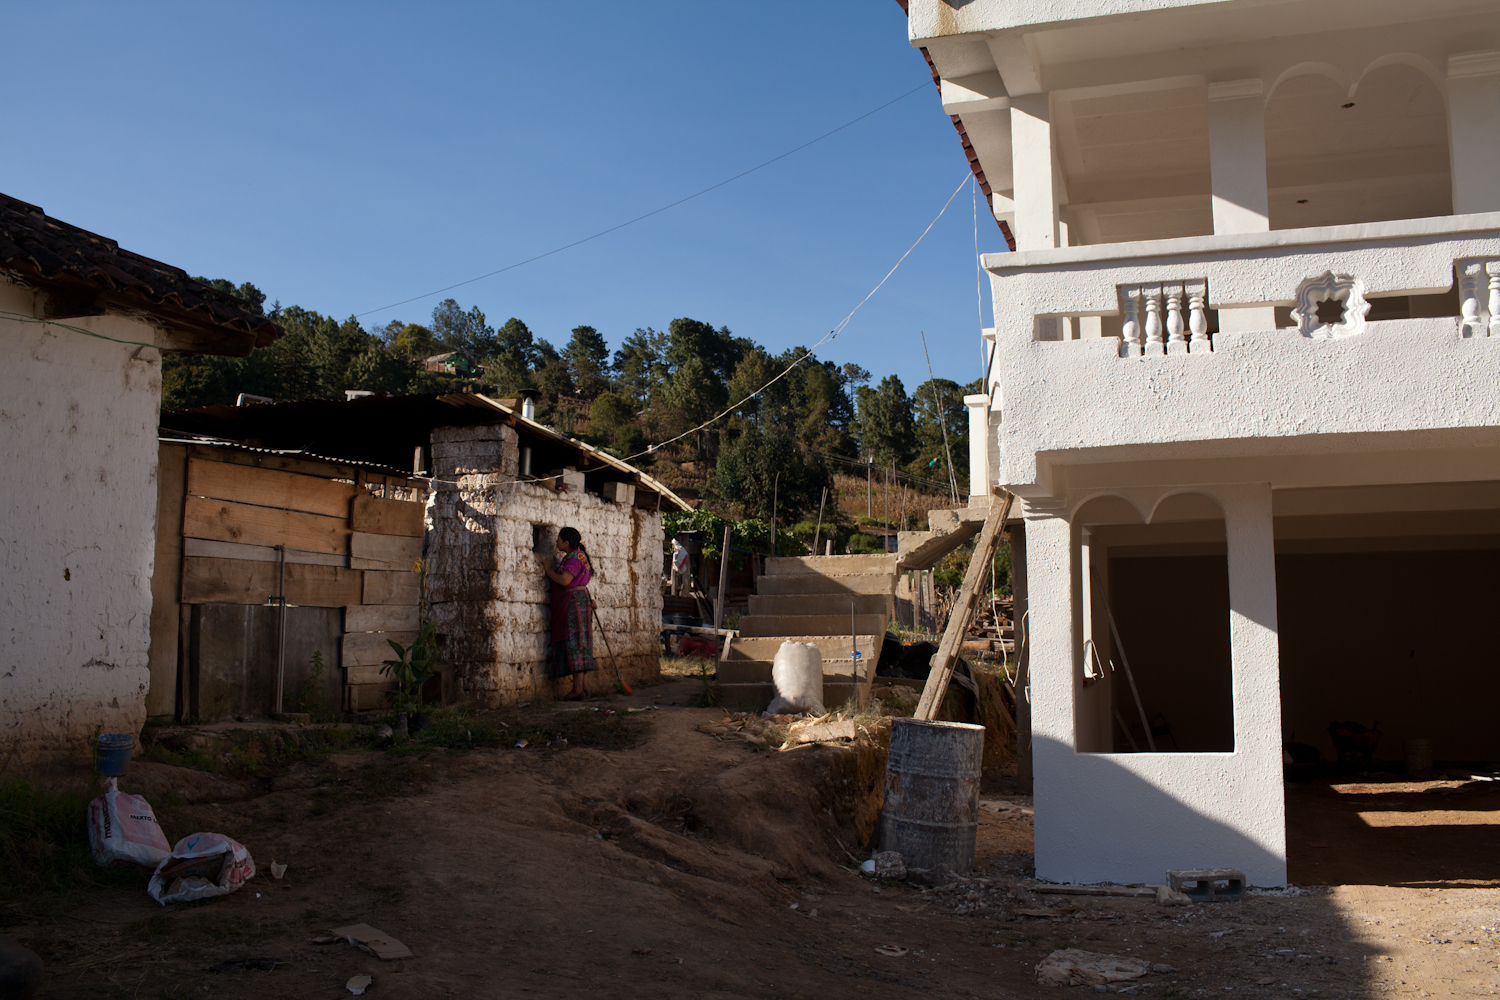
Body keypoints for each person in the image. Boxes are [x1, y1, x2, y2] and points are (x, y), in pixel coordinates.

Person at [540, 526, 595, 699]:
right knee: (582, 643)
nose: (556, 542)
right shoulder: (580, 556)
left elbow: (565, 580)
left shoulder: (573, 558)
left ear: (566, 542)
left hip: (573, 605)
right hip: (581, 600)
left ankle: (577, 689)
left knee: (575, 643)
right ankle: (584, 688)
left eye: (559, 539)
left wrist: (548, 570)